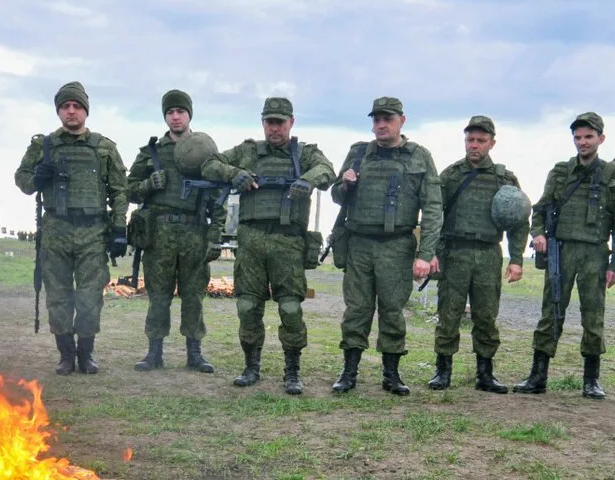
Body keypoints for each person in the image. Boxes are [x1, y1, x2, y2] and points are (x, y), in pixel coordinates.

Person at [199, 97, 335, 394]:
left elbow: (327, 170)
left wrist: (308, 180)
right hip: (251, 240)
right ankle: (251, 367)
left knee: (290, 307)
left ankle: (293, 371)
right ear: (263, 123)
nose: (274, 128)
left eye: (280, 122)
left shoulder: (305, 154)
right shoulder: (247, 152)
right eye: (269, 122)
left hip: (288, 241)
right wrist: (234, 174)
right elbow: (209, 165)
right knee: (248, 305)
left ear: (291, 122)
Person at [329, 96, 443, 396]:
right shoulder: (358, 153)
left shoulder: (419, 156)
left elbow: (432, 207)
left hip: (397, 245)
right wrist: (345, 184)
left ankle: (391, 374)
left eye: (387, 119)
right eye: (376, 119)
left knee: (392, 310)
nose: (380, 124)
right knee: (357, 309)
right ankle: (349, 372)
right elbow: (336, 196)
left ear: (401, 121)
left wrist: (426, 254)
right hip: (359, 243)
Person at [514, 112, 615, 398]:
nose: (583, 142)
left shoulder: (613, 176)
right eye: (578, 137)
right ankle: (537, 375)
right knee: (551, 311)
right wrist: (538, 234)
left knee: (593, 316)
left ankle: (591, 380)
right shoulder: (560, 172)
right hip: (561, 249)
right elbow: (540, 209)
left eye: (588, 137)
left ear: (601, 139)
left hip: (594, 252)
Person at [15, 81, 128, 375]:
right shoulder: (44, 146)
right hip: (56, 230)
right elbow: (23, 181)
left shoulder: (104, 148)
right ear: (59, 111)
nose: (71, 111)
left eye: (76, 106)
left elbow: (119, 191)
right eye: (65, 106)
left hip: (93, 231)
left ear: (86, 111)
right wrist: (38, 177)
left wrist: (119, 229)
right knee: (58, 295)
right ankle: (65, 354)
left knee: (90, 296)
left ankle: (85, 353)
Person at [126, 90, 225, 373]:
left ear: (189, 114)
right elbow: (129, 188)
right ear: (165, 116)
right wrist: (148, 185)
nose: (175, 116)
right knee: (159, 295)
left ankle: (194, 353)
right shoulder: (151, 152)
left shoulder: (205, 152)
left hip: (194, 230)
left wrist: (215, 236)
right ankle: (154, 352)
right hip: (159, 233)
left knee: (194, 295)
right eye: (170, 112)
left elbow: (218, 197)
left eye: (180, 111)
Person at [428, 115, 528, 393]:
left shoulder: (504, 178)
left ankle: (485, 373)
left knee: (486, 316)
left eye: (481, 140)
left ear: (491, 143)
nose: (474, 145)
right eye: (470, 139)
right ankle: (442, 371)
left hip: (487, 254)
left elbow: (519, 220)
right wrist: (432, 252)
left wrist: (517, 258)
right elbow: (434, 215)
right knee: (449, 313)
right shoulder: (450, 176)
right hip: (455, 253)